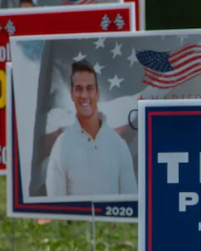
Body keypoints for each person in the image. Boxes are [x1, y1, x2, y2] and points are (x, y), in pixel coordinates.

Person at [44, 58, 137, 197]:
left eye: (89, 88)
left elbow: (131, 201)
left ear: (97, 94)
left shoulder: (119, 146)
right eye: (79, 89)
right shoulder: (62, 146)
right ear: (72, 95)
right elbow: (55, 205)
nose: (84, 95)